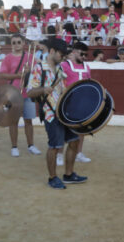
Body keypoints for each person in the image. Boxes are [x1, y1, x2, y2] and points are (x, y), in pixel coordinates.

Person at [26, 39, 87, 189]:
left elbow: (63, 89)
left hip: (64, 112)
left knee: (74, 141)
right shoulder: (39, 68)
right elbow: (30, 92)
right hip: (50, 113)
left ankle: (68, 174)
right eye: (61, 54)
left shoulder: (60, 69)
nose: (63, 57)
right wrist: (43, 89)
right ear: (52, 51)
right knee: (54, 146)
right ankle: (52, 177)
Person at [0, 34, 41, 157]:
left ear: (23, 43)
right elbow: (2, 75)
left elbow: (37, 74)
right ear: (11, 44)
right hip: (13, 94)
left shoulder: (30, 57)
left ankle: (31, 145)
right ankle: (14, 147)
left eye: (18, 42)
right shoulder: (8, 58)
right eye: (14, 43)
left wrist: (31, 71)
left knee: (29, 121)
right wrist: (19, 75)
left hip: (28, 93)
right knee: (13, 121)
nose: (16, 45)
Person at [61, 42, 92, 163]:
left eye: (86, 54)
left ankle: (79, 153)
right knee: (64, 129)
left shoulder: (87, 67)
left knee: (81, 129)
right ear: (74, 52)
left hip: (82, 103)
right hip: (67, 102)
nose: (84, 56)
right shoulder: (64, 65)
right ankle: (59, 154)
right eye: (82, 53)